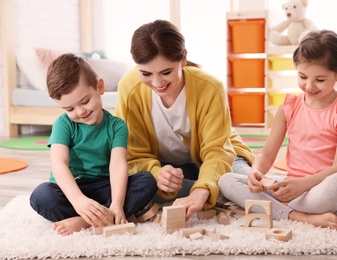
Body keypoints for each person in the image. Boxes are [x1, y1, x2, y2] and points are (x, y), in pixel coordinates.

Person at [218, 30, 337, 230]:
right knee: (227, 180)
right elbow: (267, 154)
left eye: (320, 80)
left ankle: (280, 209)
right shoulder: (289, 106)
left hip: (323, 193)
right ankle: (298, 216)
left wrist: (303, 185)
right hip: (291, 189)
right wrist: (256, 172)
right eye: (303, 76)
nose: (309, 86)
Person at [115, 19, 254, 220]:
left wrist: (202, 189)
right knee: (134, 187)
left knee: (243, 185)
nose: (157, 83)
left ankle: (211, 188)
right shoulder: (129, 88)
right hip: (165, 166)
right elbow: (131, 155)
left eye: (166, 72)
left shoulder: (210, 87)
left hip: (219, 156)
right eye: (146, 73)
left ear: (183, 59)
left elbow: (217, 151)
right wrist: (157, 173)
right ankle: (213, 190)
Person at [29, 53, 157, 236]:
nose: (80, 112)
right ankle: (103, 216)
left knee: (146, 181)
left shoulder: (117, 126)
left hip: (106, 187)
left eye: (84, 102)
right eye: (69, 109)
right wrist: (78, 201)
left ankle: (84, 221)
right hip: (73, 188)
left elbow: (118, 164)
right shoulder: (63, 124)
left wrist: (118, 203)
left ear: (100, 86)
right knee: (41, 196)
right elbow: (59, 164)